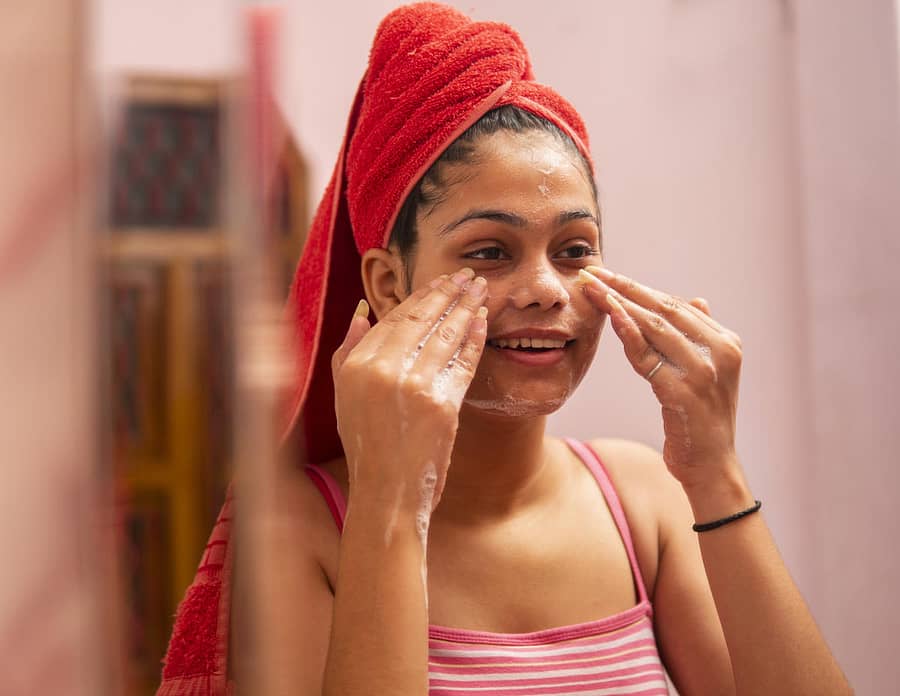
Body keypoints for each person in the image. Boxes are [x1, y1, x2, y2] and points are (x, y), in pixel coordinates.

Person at [157, 4, 852, 695]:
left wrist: (717, 473)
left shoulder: (645, 501)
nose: (548, 288)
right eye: (490, 251)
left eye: (575, 249)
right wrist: (392, 500)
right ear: (390, 285)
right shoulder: (298, 531)